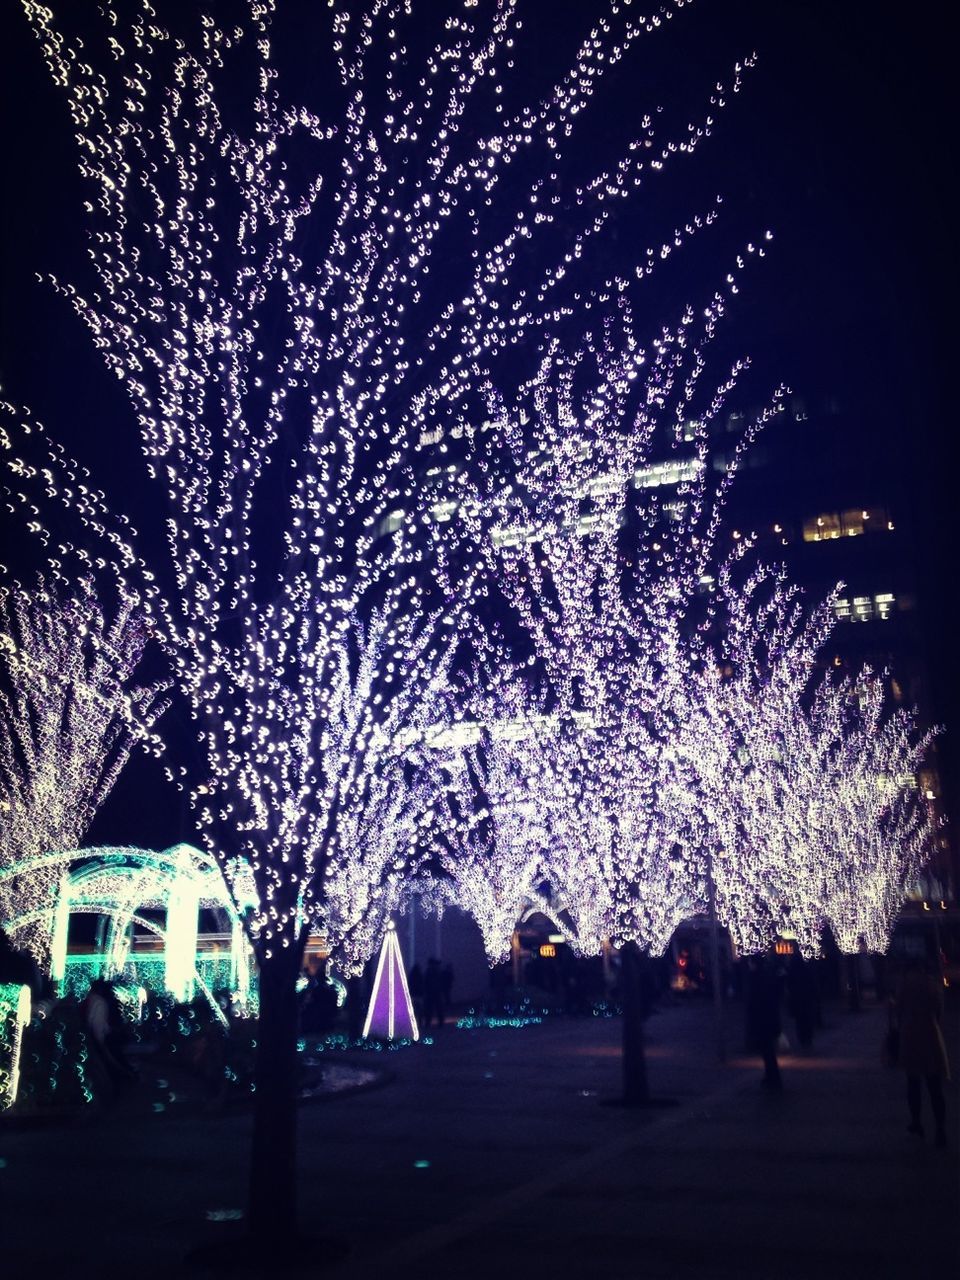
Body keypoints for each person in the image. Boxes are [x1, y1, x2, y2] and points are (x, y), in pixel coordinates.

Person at [894, 958, 950, 1146]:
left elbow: (898, 1009)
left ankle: (917, 1122)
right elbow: (939, 1010)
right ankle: (940, 1128)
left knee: (913, 1083)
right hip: (930, 1034)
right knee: (935, 1086)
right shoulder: (932, 984)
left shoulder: (904, 985)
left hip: (910, 1035)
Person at [745, 955, 784, 1090]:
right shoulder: (768, 976)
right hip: (769, 1018)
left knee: (767, 1051)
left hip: (762, 1019)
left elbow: (754, 1001)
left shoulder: (756, 978)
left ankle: (772, 1078)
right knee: (768, 1051)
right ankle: (772, 1076)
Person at [422, 957, 445, 1031]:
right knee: (433, 1008)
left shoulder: (431, 972)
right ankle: (434, 1022)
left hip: (433, 993)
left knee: (433, 1008)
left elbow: (426, 982)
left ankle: (432, 1022)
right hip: (432, 993)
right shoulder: (433, 972)